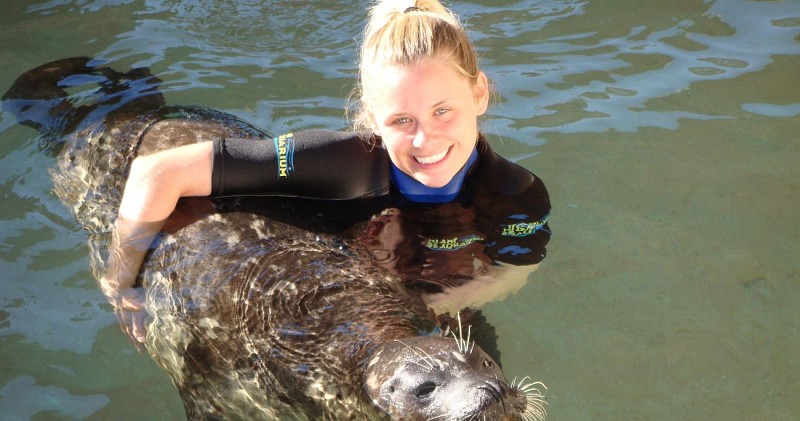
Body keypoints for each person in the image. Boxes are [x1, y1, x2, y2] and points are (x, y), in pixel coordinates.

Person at [103, 0, 551, 345]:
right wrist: (121, 281)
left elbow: (516, 270)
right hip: (334, 312)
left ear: (479, 94)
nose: (423, 140)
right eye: (401, 120)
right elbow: (156, 173)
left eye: (442, 111)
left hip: (438, 310)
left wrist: (435, 303)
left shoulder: (516, 193)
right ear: (372, 117)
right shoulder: (338, 164)